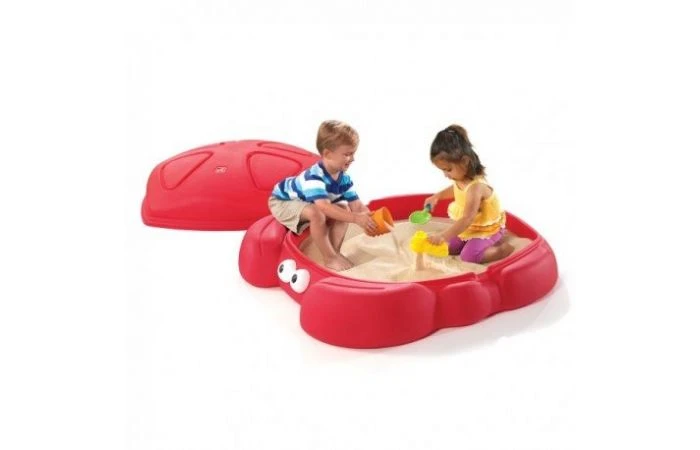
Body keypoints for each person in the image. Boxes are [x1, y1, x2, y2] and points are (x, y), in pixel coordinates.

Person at [268, 120, 376, 271]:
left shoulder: (343, 178)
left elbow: (356, 205)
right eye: (347, 154)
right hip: (282, 202)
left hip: (308, 203)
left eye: (353, 153)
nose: (352, 159)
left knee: (344, 209)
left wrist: (371, 219)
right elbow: (324, 207)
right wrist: (356, 218)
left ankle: (335, 253)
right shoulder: (314, 177)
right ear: (327, 154)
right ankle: (329, 258)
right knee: (316, 213)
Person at [424, 124, 514, 264]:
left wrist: (443, 235)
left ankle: (502, 250)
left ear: (465, 161)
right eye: (443, 170)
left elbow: (467, 218)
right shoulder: (460, 178)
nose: (446, 175)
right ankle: (472, 243)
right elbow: (456, 190)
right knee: (451, 248)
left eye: (448, 169)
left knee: (468, 257)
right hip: (471, 227)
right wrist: (437, 196)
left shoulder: (476, 187)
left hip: (487, 229)